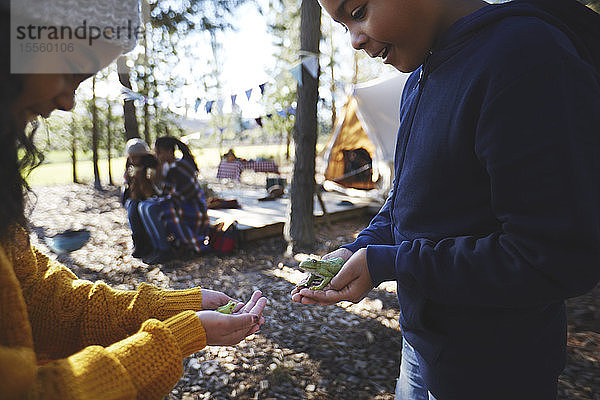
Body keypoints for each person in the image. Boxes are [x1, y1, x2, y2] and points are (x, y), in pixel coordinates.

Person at [292, 0, 600, 398]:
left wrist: (391, 262)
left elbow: (555, 256)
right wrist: (361, 249)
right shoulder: (421, 74)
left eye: (358, 10)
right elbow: (407, 202)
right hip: (422, 351)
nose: (354, 40)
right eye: (342, 25)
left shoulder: (525, 56)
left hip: (496, 371)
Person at [0, 1, 267, 398]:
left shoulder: (174, 169)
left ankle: (156, 246)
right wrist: (173, 338)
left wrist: (175, 307)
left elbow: (40, 298)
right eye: (74, 69)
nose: (69, 101)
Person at [138, 136, 211, 263]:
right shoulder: (168, 166)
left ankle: (164, 249)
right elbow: (166, 193)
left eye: (158, 152)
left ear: (168, 152)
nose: (157, 156)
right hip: (180, 204)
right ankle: (157, 248)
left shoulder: (179, 167)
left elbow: (182, 195)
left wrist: (159, 197)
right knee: (143, 206)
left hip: (193, 208)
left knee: (150, 208)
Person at [122, 138, 158, 258]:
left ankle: (148, 244)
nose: (133, 160)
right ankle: (138, 242)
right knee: (132, 206)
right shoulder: (130, 166)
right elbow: (130, 190)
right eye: (131, 157)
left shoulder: (152, 168)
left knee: (140, 207)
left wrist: (142, 178)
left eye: (136, 157)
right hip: (135, 198)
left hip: (150, 198)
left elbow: (151, 191)